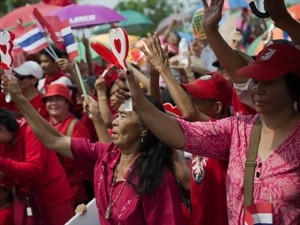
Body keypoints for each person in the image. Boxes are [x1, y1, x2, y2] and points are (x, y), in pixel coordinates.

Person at [111, 41, 300, 225]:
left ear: (293, 87)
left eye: (269, 83)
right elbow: (182, 133)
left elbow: (188, 115)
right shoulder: (238, 129)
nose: (258, 90)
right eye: (256, 82)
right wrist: (138, 102)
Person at [1, 77, 187, 225]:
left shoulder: (158, 178)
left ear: (144, 129)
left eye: (123, 116)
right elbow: (54, 139)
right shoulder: (106, 155)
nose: (114, 121)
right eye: (117, 115)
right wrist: (20, 98)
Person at [141, 34, 231, 225]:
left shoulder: (228, 134)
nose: (190, 104)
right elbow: (157, 115)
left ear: (217, 107)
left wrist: (163, 68)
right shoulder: (197, 129)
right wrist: (154, 74)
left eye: (197, 101)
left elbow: (189, 112)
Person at [0, 108, 74, 225]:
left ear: (3, 126)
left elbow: (34, 169)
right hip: (29, 198)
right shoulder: (4, 142)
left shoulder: (31, 131)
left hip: (53, 198)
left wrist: (2, 163)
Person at [42, 83, 93, 205]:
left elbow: (84, 160)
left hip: (75, 191)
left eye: (58, 99)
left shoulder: (77, 126)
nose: (53, 103)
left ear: (68, 103)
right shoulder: (44, 125)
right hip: (51, 190)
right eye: (50, 100)